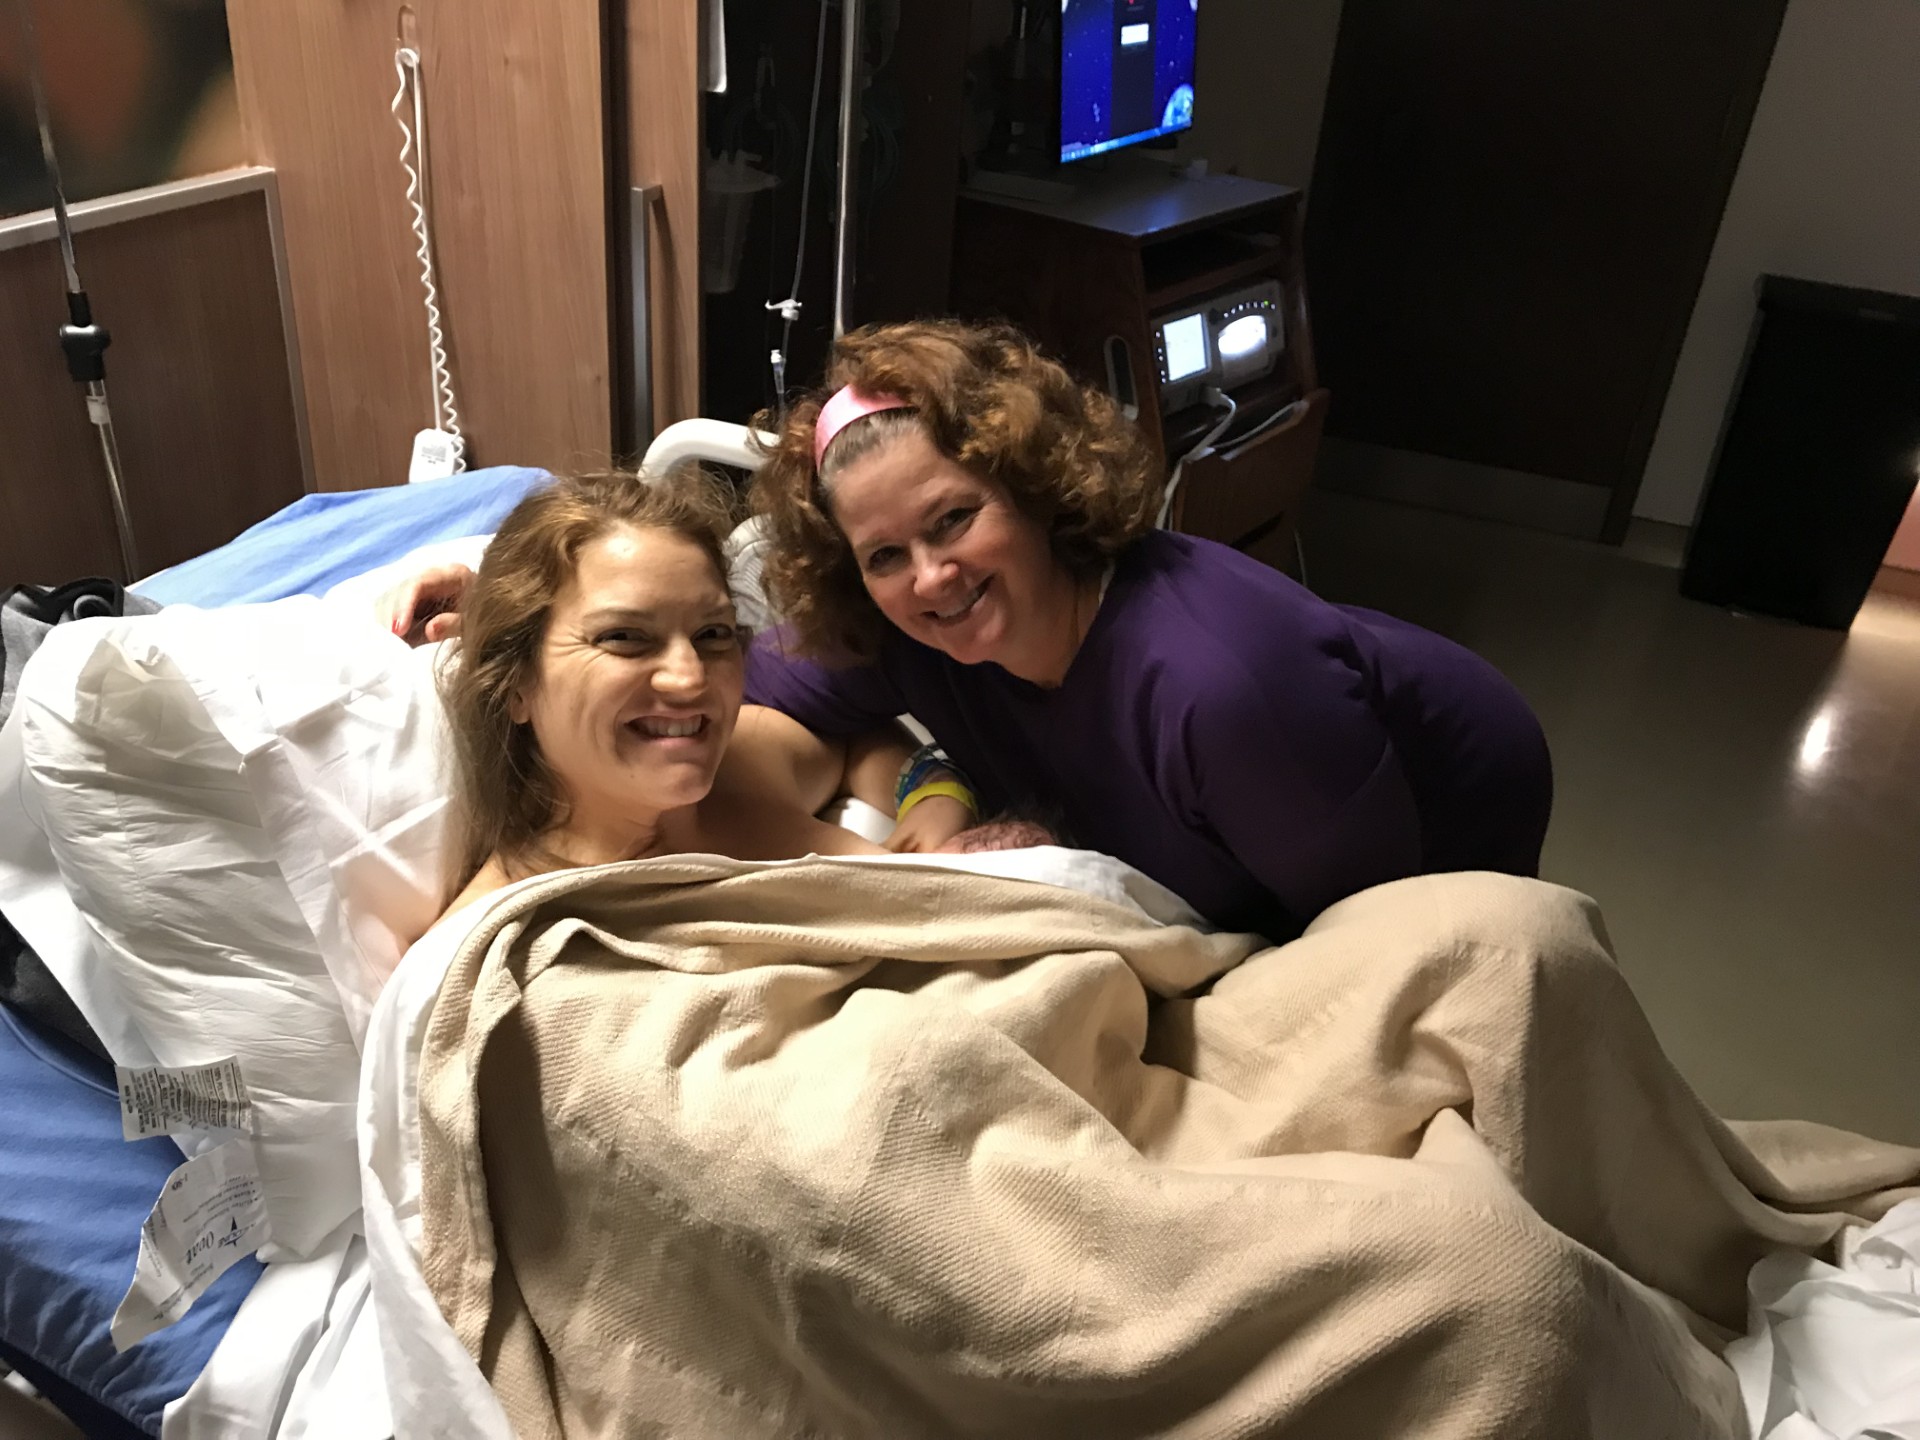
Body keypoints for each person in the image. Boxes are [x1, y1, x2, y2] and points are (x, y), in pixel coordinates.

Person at [743, 319, 1554, 940]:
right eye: (885, 554)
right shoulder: (905, 627)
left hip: (1436, 808)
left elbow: (1369, 950)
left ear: (1033, 487)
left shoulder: (1215, 687)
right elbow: (728, 699)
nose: (929, 576)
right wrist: (929, 782)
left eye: (955, 518)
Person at [429, 466, 899, 920]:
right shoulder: (494, 939)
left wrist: (934, 792)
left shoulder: (746, 765)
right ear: (516, 686)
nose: (690, 678)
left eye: (713, 633)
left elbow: (860, 742)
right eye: (624, 637)